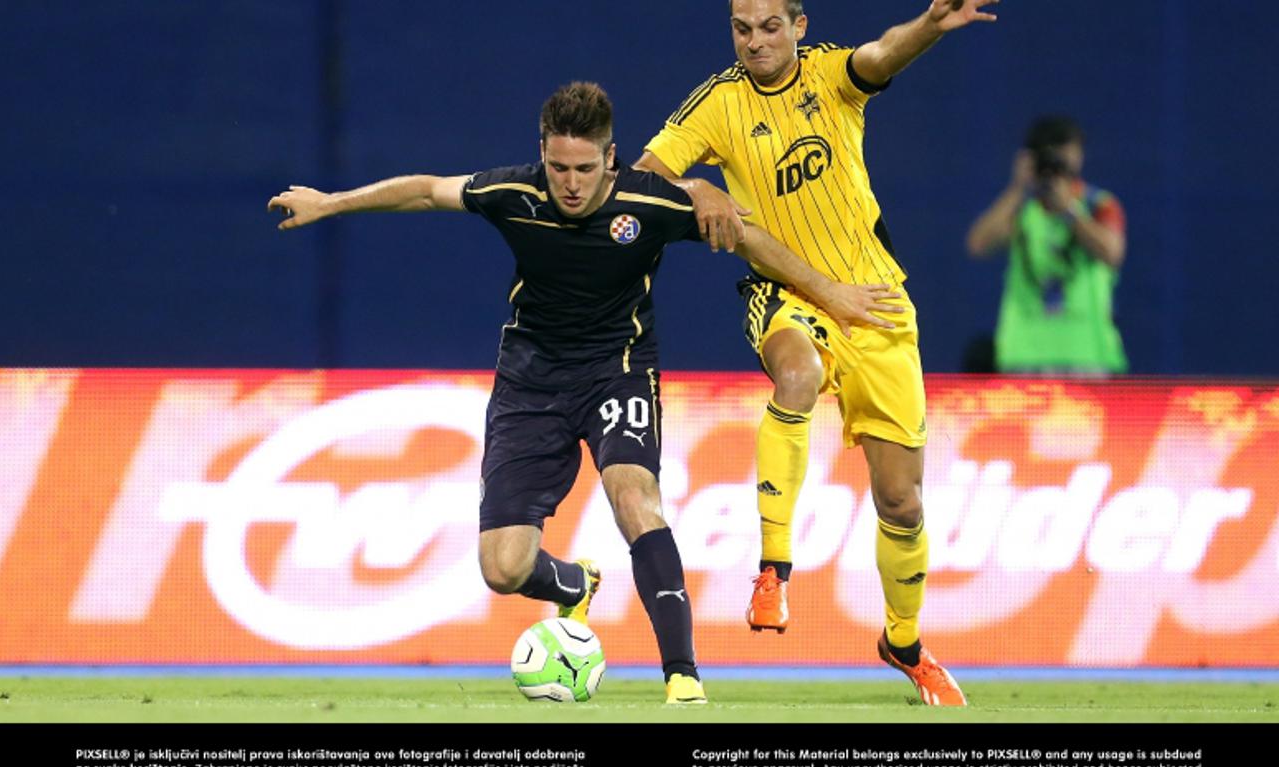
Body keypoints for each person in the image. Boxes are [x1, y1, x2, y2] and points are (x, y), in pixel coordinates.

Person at [269, 81, 882, 704]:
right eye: (558, 167)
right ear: (542, 154)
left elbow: (749, 239)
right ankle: (573, 583)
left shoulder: (652, 204)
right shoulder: (514, 192)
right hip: (529, 380)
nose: (570, 183)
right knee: (503, 568)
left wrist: (830, 293)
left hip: (617, 369)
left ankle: (682, 675)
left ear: (610, 159)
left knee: (635, 498)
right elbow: (428, 189)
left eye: (585, 169)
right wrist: (332, 202)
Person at [635, 0, 999, 707]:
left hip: (877, 304)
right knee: (795, 374)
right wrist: (698, 184)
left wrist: (929, 25)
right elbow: (645, 179)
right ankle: (775, 570)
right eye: (742, 29)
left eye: (770, 27)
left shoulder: (831, 75)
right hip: (790, 297)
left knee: (902, 502)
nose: (755, 42)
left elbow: (881, 55)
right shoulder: (719, 103)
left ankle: (904, 641)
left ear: (798, 26)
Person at [966, 115, 1128, 374]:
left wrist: (1069, 210)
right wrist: (1017, 188)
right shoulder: (1023, 210)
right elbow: (978, 244)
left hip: (1087, 356)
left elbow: (1111, 253)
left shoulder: (1098, 205)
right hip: (1024, 357)